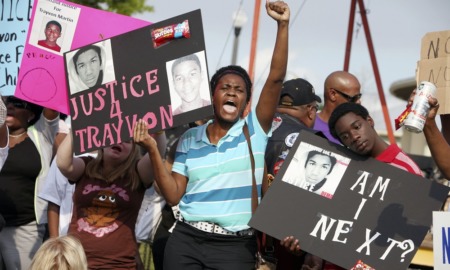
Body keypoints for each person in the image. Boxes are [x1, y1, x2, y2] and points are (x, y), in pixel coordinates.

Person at [144, 1, 290, 269]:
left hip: (234, 249)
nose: (232, 92)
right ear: (212, 96)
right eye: (225, 87)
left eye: (240, 89)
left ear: (247, 102)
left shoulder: (254, 130)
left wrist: (282, 25)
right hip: (185, 242)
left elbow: (275, 78)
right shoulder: (189, 139)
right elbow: (174, 195)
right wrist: (153, 149)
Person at [56, 119, 165, 269]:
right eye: (113, 136)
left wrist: (159, 130)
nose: (119, 141)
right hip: (77, 261)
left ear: (134, 149)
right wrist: (77, 124)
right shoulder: (86, 166)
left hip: (118, 264)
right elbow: (63, 164)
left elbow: (156, 155)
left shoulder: (137, 173)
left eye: (127, 140)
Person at [264, 78, 324, 269]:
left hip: (245, 241)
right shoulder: (313, 142)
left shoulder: (256, 129)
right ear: (311, 110)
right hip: (289, 245)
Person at [0, 96, 59, 269]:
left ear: (31, 115)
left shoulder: (42, 134)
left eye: (17, 104)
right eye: (6, 103)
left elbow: (52, 106)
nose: (10, 107)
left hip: (25, 229)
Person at [328, 102, 423, 176]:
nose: (354, 137)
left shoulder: (406, 168)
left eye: (357, 127)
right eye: (345, 137)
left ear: (370, 121)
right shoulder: (344, 169)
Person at [314, 71, 362, 144]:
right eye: (353, 98)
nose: (358, 102)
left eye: (359, 96)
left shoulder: (361, 129)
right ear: (332, 94)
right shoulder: (308, 125)